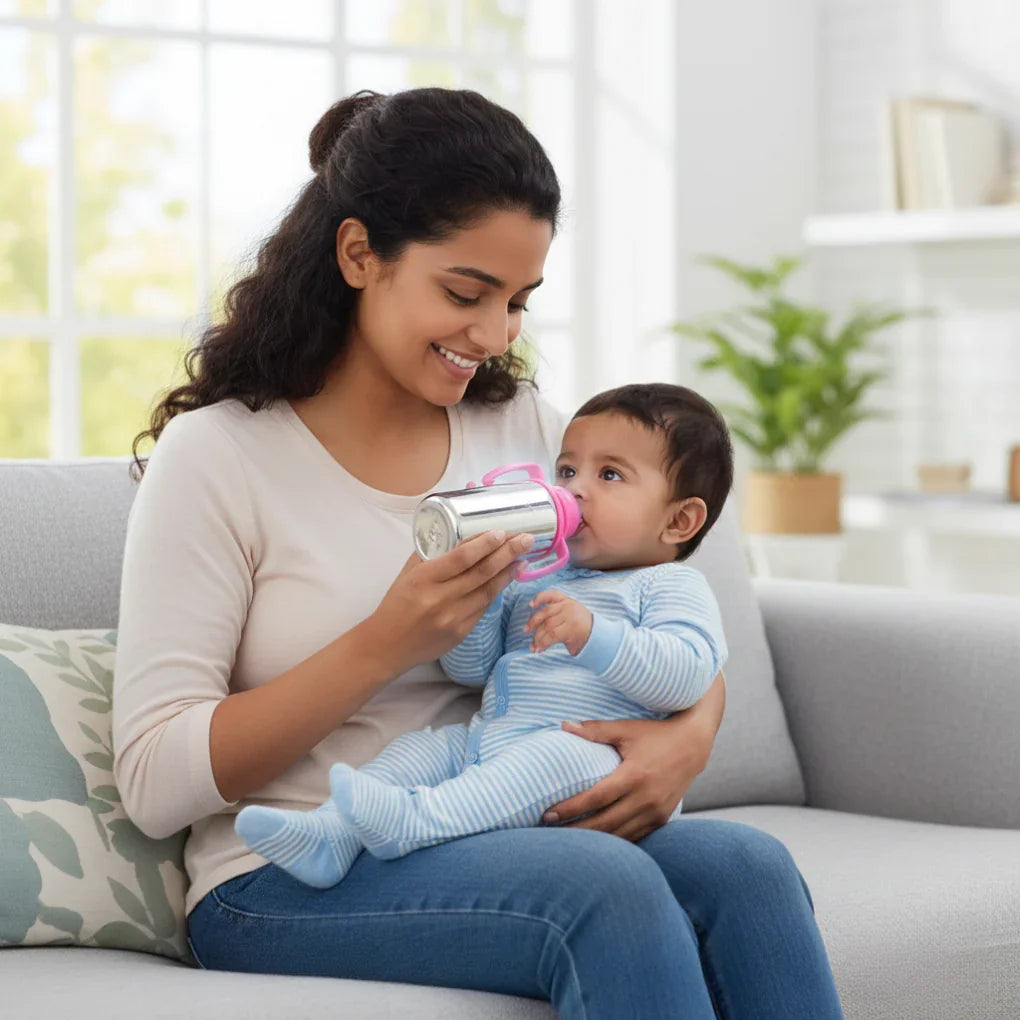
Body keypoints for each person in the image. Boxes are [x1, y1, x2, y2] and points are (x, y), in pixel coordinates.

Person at [112, 87, 844, 1019]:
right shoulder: (221, 457)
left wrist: (686, 740)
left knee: (749, 867)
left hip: (505, 811)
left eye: (518, 302)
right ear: (358, 253)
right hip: (288, 867)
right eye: (465, 293)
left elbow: (652, 612)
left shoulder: (526, 432)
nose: (495, 336)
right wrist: (386, 642)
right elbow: (152, 778)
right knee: (604, 892)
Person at [234, 383, 732, 888]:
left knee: (553, 755)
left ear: (679, 521)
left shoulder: (669, 585)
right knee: (428, 750)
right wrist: (487, 594)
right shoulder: (540, 575)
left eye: (609, 475)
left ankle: (414, 824)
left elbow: (689, 674)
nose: (575, 489)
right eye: (567, 470)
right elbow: (472, 670)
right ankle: (329, 833)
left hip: (587, 756)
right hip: (493, 738)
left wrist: (593, 635)